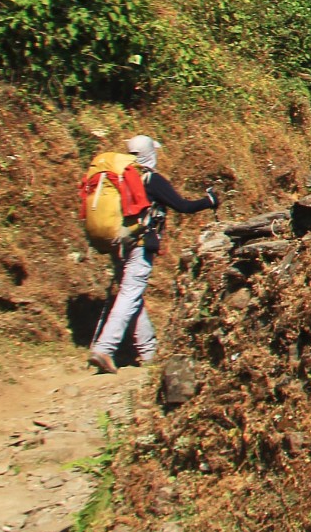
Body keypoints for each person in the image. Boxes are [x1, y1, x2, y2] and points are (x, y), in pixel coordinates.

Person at [88, 134, 218, 374]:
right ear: (150, 153)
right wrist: (209, 201)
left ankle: (149, 352)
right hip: (139, 245)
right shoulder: (150, 179)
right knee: (129, 295)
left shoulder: (123, 177)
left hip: (120, 245)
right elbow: (184, 206)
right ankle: (105, 349)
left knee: (132, 296)